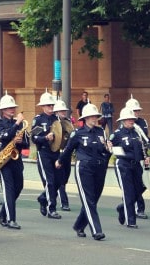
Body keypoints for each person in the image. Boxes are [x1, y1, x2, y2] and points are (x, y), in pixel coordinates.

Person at [59, 103, 110, 240]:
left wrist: (108, 149)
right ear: (85, 118)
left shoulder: (101, 132)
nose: (94, 118)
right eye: (91, 116)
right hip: (84, 168)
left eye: (96, 116)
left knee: (94, 199)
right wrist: (60, 161)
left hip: (99, 168)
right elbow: (68, 150)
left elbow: (105, 152)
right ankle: (96, 230)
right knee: (88, 200)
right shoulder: (78, 133)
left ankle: (79, 225)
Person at [111, 107, 150, 229]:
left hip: (136, 165)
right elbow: (109, 147)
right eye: (128, 119)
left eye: (132, 119)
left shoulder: (137, 132)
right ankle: (130, 220)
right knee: (128, 192)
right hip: (123, 164)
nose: (131, 121)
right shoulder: (117, 134)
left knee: (139, 189)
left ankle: (122, 208)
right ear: (123, 121)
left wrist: (148, 155)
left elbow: (144, 145)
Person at [0, 92, 28, 230]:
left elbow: (27, 143)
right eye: (9, 108)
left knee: (18, 187)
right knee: (9, 189)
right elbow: (5, 136)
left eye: (13, 107)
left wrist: (20, 141)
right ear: (3, 110)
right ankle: (11, 219)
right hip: (4, 160)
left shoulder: (18, 124)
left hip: (16, 158)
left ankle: (3, 212)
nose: (12, 110)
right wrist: (17, 123)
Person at [32, 90, 62, 219]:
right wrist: (45, 138)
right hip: (44, 152)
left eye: (52, 105)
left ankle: (43, 198)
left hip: (55, 152)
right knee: (49, 181)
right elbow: (33, 138)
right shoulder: (38, 120)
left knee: (59, 181)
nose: (51, 107)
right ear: (43, 106)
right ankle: (52, 208)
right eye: (48, 105)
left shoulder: (56, 119)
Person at [53, 99, 71, 211]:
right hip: (57, 153)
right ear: (56, 112)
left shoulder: (68, 121)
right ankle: (64, 202)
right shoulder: (53, 122)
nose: (63, 112)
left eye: (64, 110)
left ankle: (44, 196)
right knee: (60, 179)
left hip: (66, 153)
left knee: (65, 178)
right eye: (61, 111)